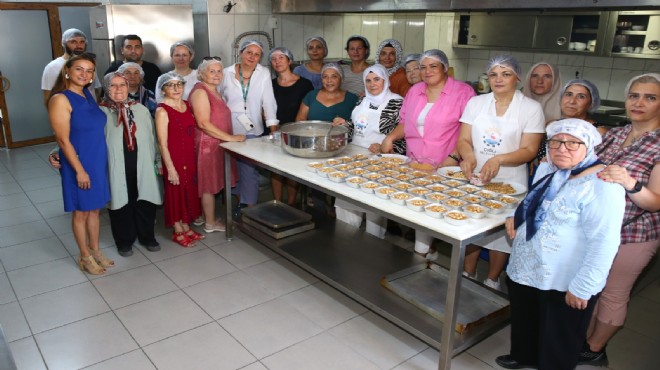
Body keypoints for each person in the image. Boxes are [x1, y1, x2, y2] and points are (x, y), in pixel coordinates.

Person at [495, 118, 626, 370]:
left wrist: (584, 286)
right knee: (526, 318)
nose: (562, 148)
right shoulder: (549, 169)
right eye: (556, 142)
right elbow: (536, 202)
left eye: (573, 143)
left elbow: (605, 242)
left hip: (563, 276)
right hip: (528, 265)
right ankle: (524, 356)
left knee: (558, 336)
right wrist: (517, 214)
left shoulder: (603, 185)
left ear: (588, 146)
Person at [578, 73, 660, 366]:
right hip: (596, 228)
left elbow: (656, 201)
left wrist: (630, 183)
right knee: (591, 287)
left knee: (613, 293)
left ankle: (595, 348)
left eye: (650, 97)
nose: (639, 103)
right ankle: (583, 337)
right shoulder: (614, 134)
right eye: (634, 95)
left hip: (633, 234)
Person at [457, 55, 545, 290]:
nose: (498, 79)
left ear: (517, 78)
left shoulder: (530, 108)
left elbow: (529, 149)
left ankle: (492, 279)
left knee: (501, 234)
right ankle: (468, 273)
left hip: (511, 180)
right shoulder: (476, 103)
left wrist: (499, 159)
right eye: (493, 74)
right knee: (472, 225)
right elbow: (464, 139)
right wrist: (469, 156)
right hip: (476, 177)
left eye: (506, 74)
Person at [382, 49, 475, 256]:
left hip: (446, 165)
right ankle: (422, 255)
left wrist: (453, 157)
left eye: (433, 66)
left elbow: (468, 130)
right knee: (418, 211)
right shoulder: (415, 91)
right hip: (416, 163)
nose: (427, 71)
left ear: (445, 68)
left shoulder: (463, 92)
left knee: (437, 213)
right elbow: (405, 122)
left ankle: (424, 256)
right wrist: (390, 137)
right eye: (423, 67)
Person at [48, 53, 111, 275]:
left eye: (90, 70)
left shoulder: (87, 94)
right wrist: (80, 170)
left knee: (95, 209)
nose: (85, 74)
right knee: (81, 212)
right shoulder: (60, 99)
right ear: (68, 71)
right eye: (79, 69)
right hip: (79, 163)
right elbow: (63, 139)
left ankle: (95, 250)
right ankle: (84, 256)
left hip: (96, 159)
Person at [332, 64, 404, 238]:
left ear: (385, 80)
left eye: (377, 79)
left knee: (374, 210)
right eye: (368, 80)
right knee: (347, 204)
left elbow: (405, 137)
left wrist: (383, 147)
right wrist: (344, 124)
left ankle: (373, 250)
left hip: (379, 164)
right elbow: (356, 127)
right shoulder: (362, 99)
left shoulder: (397, 102)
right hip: (353, 159)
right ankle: (345, 245)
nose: (372, 84)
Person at [100, 72, 163, 257]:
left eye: (123, 84)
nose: (119, 89)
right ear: (106, 88)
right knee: (120, 203)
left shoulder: (141, 110)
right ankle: (124, 241)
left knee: (145, 200)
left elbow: (153, 139)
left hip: (141, 163)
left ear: (129, 87)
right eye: (113, 85)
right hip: (116, 165)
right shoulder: (100, 112)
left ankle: (147, 237)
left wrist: (158, 160)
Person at [222, 40, 278, 217]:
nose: (252, 57)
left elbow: (268, 101)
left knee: (249, 168)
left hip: (253, 128)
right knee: (232, 167)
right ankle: (239, 198)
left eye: (257, 54)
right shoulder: (226, 73)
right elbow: (218, 99)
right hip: (228, 128)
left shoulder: (264, 73)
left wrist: (273, 128)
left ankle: (248, 205)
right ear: (241, 53)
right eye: (249, 53)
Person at [189, 57, 245, 233]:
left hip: (218, 144)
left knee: (212, 183)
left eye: (219, 71)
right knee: (208, 185)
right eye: (211, 71)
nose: (216, 74)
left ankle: (209, 217)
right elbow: (204, 123)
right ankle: (210, 223)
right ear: (201, 73)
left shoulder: (214, 91)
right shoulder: (200, 92)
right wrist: (230, 137)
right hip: (208, 145)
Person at [155, 72, 204, 247]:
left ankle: (186, 225)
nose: (176, 89)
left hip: (189, 156)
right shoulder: (162, 110)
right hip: (173, 158)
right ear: (163, 89)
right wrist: (171, 168)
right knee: (175, 192)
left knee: (188, 189)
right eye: (171, 85)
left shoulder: (186, 105)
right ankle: (177, 230)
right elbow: (162, 143)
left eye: (179, 84)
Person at [269, 47, 314, 206]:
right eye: (274, 59)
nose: (277, 61)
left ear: (289, 61)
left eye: (281, 57)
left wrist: (294, 130)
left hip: (297, 133)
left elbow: (307, 110)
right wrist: (274, 130)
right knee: (275, 169)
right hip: (275, 131)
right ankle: (277, 204)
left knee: (291, 169)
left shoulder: (304, 84)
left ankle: (291, 205)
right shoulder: (270, 84)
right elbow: (265, 108)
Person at [42, 28, 101, 105]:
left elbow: (94, 89)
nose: (79, 46)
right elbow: (48, 97)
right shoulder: (52, 67)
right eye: (73, 42)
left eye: (82, 42)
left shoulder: (89, 64)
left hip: (91, 110)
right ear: (64, 44)